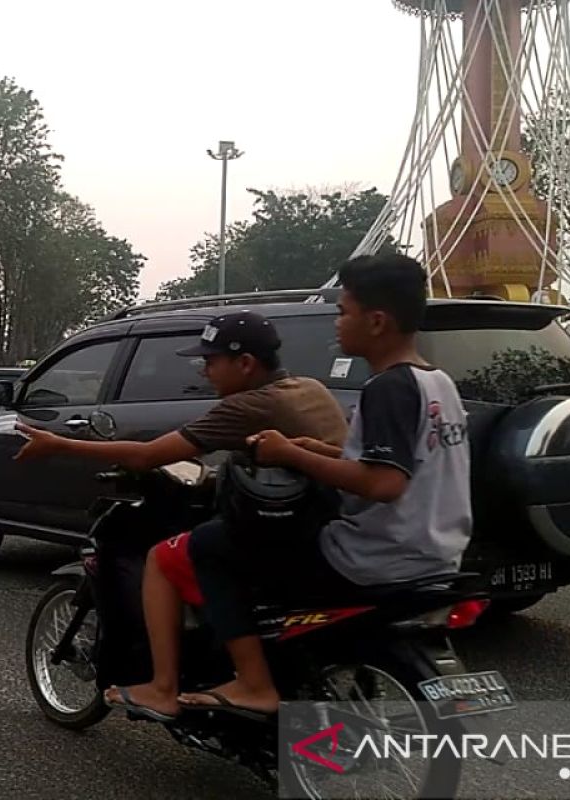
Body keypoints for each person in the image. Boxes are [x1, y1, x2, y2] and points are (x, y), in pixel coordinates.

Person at [15, 310, 348, 720]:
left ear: (245, 364)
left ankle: (165, 688)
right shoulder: (308, 387)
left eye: (210, 362)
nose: (204, 371)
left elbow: (148, 455)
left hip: (292, 531)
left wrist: (58, 444)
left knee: (166, 557)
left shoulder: (250, 404)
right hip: (333, 520)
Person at [179, 253, 472, 715]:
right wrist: (316, 450)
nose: (337, 323)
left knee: (212, 544)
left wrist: (288, 455)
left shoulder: (386, 388)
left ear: (376, 322)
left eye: (343, 311)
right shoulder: (437, 383)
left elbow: (383, 483)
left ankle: (253, 684)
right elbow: (403, 465)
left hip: (374, 557)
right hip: (437, 551)